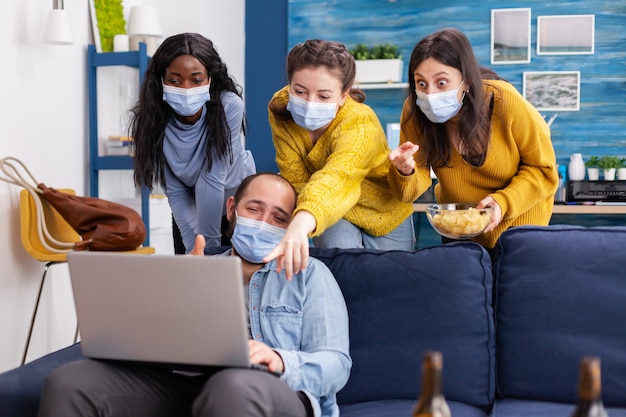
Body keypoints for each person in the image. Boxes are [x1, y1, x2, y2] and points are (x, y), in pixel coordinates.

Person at [37, 173, 351, 417]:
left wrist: (279, 359)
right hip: (190, 384)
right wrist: (176, 292)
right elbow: (148, 344)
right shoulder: (197, 266)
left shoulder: (310, 275)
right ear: (232, 210)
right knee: (71, 383)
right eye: (254, 209)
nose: (263, 223)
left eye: (278, 218)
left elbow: (336, 365)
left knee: (232, 386)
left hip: (276, 390)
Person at [388, 28, 558, 251]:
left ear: (466, 80)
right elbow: (407, 193)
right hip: (459, 231)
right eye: (421, 83)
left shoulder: (505, 101)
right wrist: (405, 171)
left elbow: (544, 170)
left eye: (441, 82)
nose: (430, 94)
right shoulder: (414, 110)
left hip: (519, 231)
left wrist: (502, 201)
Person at [266, 39, 415, 279]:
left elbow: (340, 176)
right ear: (290, 84)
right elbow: (294, 175)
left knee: (389, 285)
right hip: (330, 209)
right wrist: (301, 221)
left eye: (324, 96)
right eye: (300, 91)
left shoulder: (360, 123)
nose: (309, 103)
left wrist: (302, 222)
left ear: (344, 96)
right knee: (343, 277)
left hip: (384, 212)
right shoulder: (281, 109)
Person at [131, 32, 256, 254]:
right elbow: (176, 191)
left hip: (232, 206)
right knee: (190, 270)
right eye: (175, 80)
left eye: (196, 80)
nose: (186, 88)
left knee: (232, 280)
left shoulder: (230, 106)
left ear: (210, 79)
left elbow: (213, 176)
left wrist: (209, 250)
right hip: (188, 207)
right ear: (161, 80)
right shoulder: (153, 118)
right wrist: (195, 248)